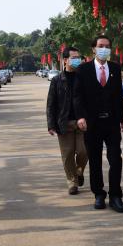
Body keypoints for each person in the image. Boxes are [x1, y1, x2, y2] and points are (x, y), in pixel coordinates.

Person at [75, 35, 123, 212]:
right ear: (94, 49)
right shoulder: (83, 70)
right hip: (92, 123)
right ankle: (98, 194)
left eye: (107, 46)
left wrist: (122, 118)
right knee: (95, 160)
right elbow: (77, 96)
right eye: (100, 46)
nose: (104, 49)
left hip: (112, 122)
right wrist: (80, 117)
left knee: (115, 159)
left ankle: (115, 195)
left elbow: (118, 95)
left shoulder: (115, 68)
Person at [47, 47, 88, 195]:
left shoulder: (83, 78)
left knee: (84, 151)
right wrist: (51, 124)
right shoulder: (57, 80)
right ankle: (72, 182)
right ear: (65, 60)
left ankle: (79, 171)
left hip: (82, 122)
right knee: (68, 154)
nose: (77, 60)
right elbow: (51, 103)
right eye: (74, 57)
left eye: (78, 57)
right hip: (64, 123)